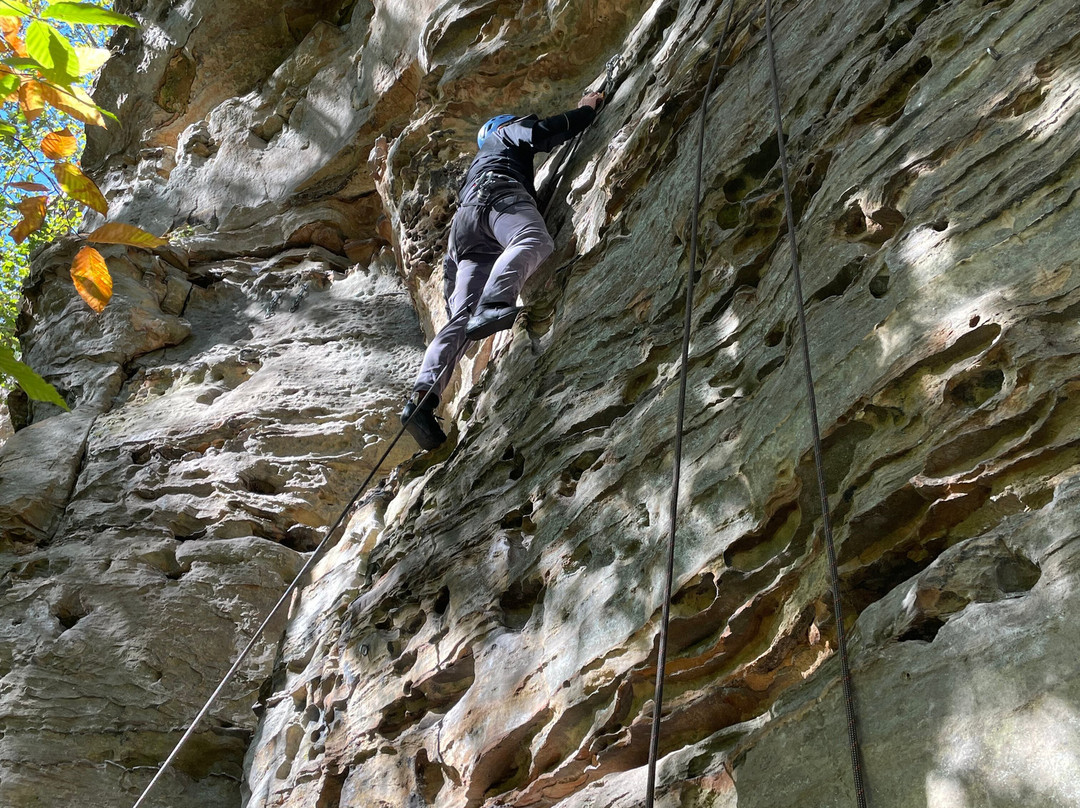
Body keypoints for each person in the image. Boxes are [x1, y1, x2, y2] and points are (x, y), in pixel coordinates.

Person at [401, 91, 605, 450]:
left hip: (465, 230)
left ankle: (421, 398)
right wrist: (586, 110)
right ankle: (495, 303)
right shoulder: (502, 134)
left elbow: (451, 268)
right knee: (533, 239)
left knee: (461, 321)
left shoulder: (471, 172)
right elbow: (542, 133)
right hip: (498, 196)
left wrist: (458, 306)